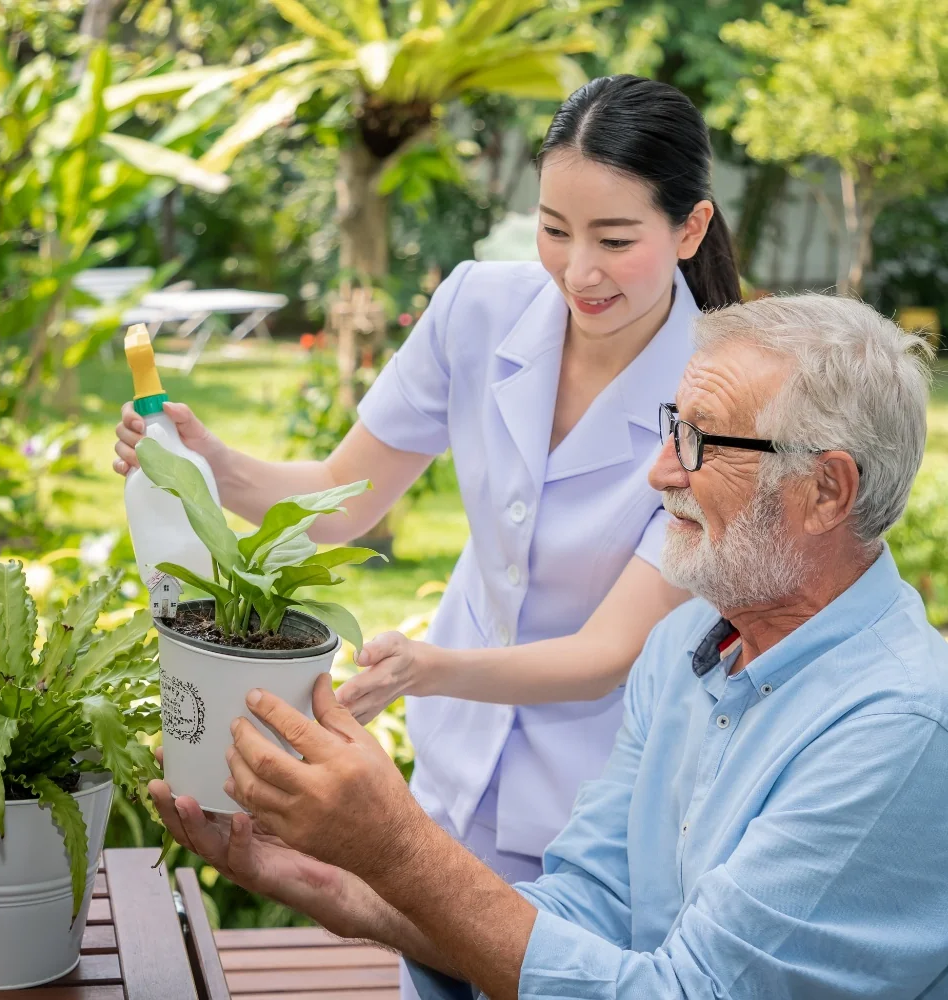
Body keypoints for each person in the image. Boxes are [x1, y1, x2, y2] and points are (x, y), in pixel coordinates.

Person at [114, 72, 738, 983]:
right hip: (450, 788)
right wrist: (207, 462)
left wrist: (428, 669)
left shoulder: (722, 392)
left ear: (690, 228)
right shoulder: (480, 308)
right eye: (554, 230)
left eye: (615, 239)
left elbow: (609, 653)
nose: (578, 271)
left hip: (598, 820)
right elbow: (342, 497)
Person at [152, 292, 948, 999]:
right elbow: (578, 920)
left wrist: (396, 845)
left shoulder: (898, 730)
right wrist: (319, 875)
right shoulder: (683, 651)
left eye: (702, 443)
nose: (659, 472)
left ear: (826, 492)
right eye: (674, 427)